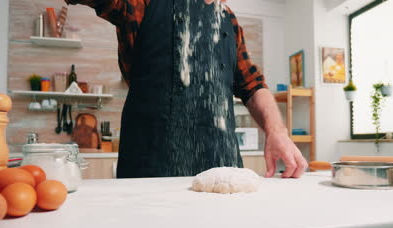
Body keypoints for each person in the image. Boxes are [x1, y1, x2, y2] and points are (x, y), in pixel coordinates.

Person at [65, 0, 308, 178]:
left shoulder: (229, 21)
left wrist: (277, 131)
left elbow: (252, 85)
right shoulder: (142, 3)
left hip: (222, 170)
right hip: (151, 171)